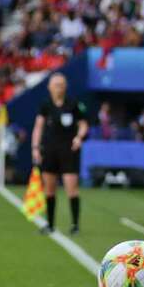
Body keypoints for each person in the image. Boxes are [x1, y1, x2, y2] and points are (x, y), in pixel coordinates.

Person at [31, 73, 88, 235]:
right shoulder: (45, 105)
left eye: (61, 84)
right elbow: (38, 127)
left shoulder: (74, 104)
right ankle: (50, 224)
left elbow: (83, 124)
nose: (58, 87)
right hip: (49, 150)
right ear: (49, 87)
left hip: (69, 150)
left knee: (72, 187)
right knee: (49, 188)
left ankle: (75, 225)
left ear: (66, 87)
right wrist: (35, 148)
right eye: (55, 84)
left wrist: (79, 137)